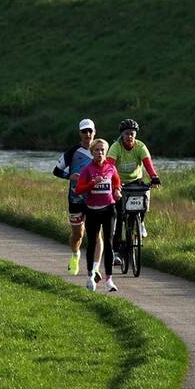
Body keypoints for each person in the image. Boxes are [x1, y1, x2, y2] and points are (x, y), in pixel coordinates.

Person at [52, 118, 103, 278]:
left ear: (95, 132)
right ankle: (75, 255)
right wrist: (70, 176)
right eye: (84, 131)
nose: (87, 134)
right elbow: (56, 170)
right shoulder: (73, 152)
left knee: (96, 234)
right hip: (76, 199)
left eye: (90, 131)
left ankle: (94, 269)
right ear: (79, 133)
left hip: (96, 199)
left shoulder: (102, 150)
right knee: (78, 235)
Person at [107, 118, 161, 265]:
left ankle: (141, 221)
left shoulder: (140, 146)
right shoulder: (115, 147)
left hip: (135, 182)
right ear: (122, 135)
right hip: (118, 182)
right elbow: (110, 167)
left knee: (144, 196)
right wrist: (113, 185)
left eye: (132, 133)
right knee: (119, 217)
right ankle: (116, 252)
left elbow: (148, 164)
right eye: (126, 134)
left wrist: (154, 177)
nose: (129, 136)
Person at [74, 138, 121, 292]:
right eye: (97, 150)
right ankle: (90, 277)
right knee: (92, 243)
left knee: (108, 243)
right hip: (92, 210)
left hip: (109, 209)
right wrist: (92, 184)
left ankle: (109, 280)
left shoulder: (111, 167)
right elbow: (79, 190)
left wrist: (117, 190)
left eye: (102, 150)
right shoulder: (87, 170)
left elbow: (116, 181)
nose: (100, 153)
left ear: (106, 152)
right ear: (92, 152)